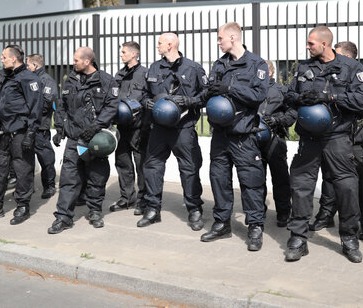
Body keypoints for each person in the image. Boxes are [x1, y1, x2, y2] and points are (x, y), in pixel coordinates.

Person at [283, 26, 363, 264]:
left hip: (338, 137)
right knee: (301, 186)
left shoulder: (351, 67)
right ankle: (298, 238)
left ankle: (349, 238)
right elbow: (289, 95)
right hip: (309, 139)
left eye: (311, 43)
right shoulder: (304, 67)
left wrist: (330, 97)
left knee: (347, 188)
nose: (307, 46)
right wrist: (300, 98)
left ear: (324, 44)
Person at [201, 22, 270, 251]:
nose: (218, 42)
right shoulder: (219, 64)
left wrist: (229, 89)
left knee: (251, 182)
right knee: (219, 180)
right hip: (220, 134)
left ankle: (255, 227)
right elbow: (210, 88)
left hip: (243, 134)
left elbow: (258, 95)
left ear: (233, 38)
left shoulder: (256, 63)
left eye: (220, 38)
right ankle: (222, 223)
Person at [310, 41, 363, 241]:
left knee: (360, 178)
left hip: (355, 137)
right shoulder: (332, 76)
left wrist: (343, 101)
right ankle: (327, 213)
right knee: (329, 177)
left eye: (338, 55)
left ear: (348, 58)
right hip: (332, 135)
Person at [137, 33, 206, 231]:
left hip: (182, 128)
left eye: (159, 43)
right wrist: (146, 102)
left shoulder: (192, 68)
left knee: (189, 168)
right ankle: (152, 209)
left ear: (170, 44)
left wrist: (189, 101)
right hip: (158, 128)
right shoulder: (154, 67)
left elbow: (206, 94)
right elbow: (143, 93)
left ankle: (194, 210)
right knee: (152, 166)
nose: (157, 46)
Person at [47, 47, 119, 234]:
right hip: (73, 139)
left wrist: (95, 128)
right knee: (68, 178)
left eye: (76, 60)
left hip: (94, 138)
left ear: (87, 62)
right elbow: (62, 106)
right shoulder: (71, 79)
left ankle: (94, 210)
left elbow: (112, 107)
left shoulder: (106, 81)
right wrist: (59, 130)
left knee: (96, 176)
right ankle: (63, 217)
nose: (73, 63)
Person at [0, 45, 43, 225]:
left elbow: (36, 108)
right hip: (1, 131)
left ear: (14, 59)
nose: (1, 59)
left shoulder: (29, 78)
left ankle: (23, 206)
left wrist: (31, 133)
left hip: (20, 132)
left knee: (23, 171)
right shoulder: (3, 77)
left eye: (4, 56)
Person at [257, 60, 297, 228]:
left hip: (275, 139)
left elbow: (292, 112)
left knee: (280, 178)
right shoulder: (252, 91)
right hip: (254, 139)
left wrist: (277, 120)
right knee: (256, 178)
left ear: (271, 73)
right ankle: (258, 212)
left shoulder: (282, 91)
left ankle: (283, 212)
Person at [111, 41, 148, 214]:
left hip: (138, 127)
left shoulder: (145, 74)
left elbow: (148, 100)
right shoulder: (119, 74)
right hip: (121, 127)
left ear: (134, 54)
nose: (121, 54)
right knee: (122, 161)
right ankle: (127, 198)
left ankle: (143, 200)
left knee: (141, 164)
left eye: (124, 52)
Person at [26, 53, 58, 199]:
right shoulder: (28, 79)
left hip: (41, 127)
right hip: (28, 126)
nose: (26, 67)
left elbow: (46, 104)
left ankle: (49, 186)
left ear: (35, 65)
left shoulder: (47, 81)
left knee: (46, 159)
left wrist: (28, 108)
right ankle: (28, 187)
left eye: (28, 65)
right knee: (25, 160)